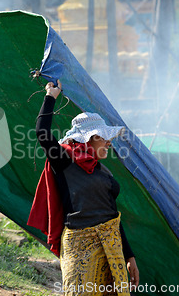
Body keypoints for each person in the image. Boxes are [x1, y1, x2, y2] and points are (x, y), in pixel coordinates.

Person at [28, 79, 139, 295]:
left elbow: (112, 216)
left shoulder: (103, 171)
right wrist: (51, 96)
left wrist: (129, 255)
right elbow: (42, 133)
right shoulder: (64, 160)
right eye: (102, 137)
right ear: (87, 139)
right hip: (79, 246)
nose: (108, 142)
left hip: (111, 247)